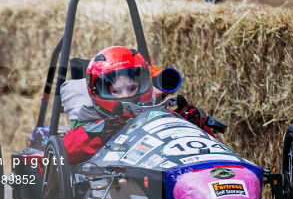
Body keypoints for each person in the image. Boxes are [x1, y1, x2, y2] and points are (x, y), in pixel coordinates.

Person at [61, 46, 213, 163]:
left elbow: (207, 148)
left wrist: (195, 125)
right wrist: (102, 134)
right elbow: (64, 150)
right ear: (97, 91)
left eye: (132, 88)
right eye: (116, 91)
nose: (126, 96)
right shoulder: (92, 121)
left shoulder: (157, 111)